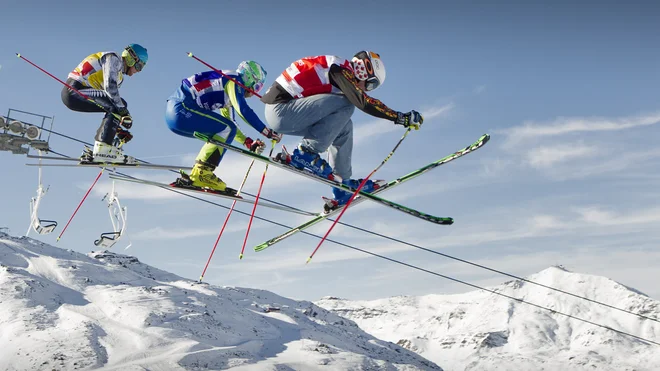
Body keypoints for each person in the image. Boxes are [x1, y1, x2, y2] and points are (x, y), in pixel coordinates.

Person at [260, 51, 424, 209]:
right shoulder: (340, 69)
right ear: (364, 69)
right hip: (281, 110)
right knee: (347, 103)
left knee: (344, 127)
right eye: (371, 84)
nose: (367, 88)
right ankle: (306, 153)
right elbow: (363, 101)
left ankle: (342, 187)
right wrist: (399, 117)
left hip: (286, 112)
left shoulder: (339, 71)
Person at [165, 61, 282, 193]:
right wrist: (267, 132)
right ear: (249, 79)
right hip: (182, 109)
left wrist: (248, 142)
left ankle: (200, 172)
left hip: (176, 113)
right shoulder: (234, 81)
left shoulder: (228, 86)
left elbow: (229, 122)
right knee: (227, 129)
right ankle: (203, 173)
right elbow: (243, 110)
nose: (254, 92)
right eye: (257, 86)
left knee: (225, 129)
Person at [61, 43, 148, 164]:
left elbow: (109, 104)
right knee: (119, 104)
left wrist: (116, 130)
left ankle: (104, 146)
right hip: (75, 90)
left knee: (117, 105)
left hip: (80, 93)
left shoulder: (120, 77)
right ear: (131, 58)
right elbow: (110, 88)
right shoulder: (113, 58)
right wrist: (124, 111)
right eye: (138, 66)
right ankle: (103, 148)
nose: (138, 71)